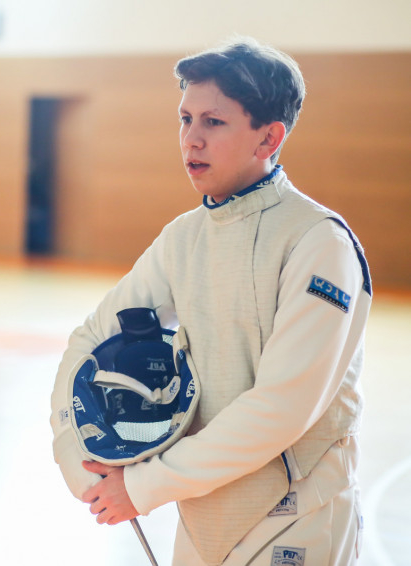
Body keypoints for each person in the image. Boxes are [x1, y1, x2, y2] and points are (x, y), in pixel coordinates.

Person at [50, 38, 371, 565]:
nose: (191, 139)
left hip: (297, 520)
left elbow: (281, 408)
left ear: (269, 137)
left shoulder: (318, 243)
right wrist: (76, 453)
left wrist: (144, 486)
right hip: (202, 524)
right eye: (185, 119)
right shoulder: (185, 237)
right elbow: (91, 338)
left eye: (213, 122)